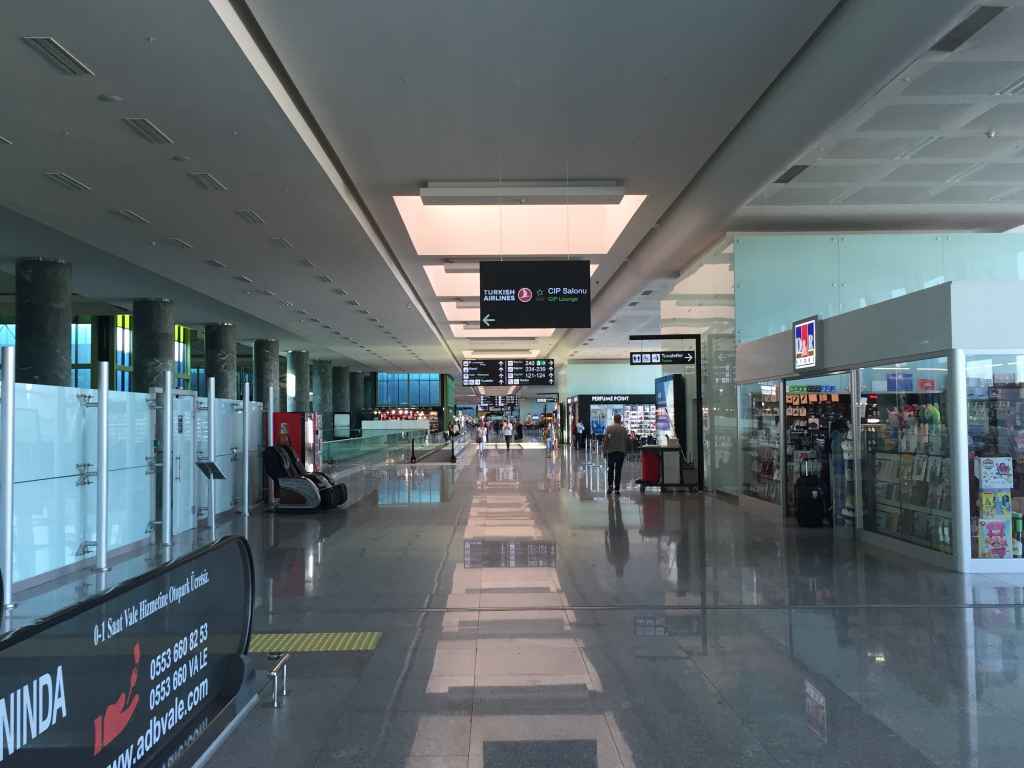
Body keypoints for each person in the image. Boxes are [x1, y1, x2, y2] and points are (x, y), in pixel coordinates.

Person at [603, 413, 628, 494]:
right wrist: (626, 451)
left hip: (611, 452)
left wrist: (604, 450)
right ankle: (617, 488)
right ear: (620, 420)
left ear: (614, 419)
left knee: (610, 469)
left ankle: (610, 486)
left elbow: (606, 440)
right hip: (621, 452)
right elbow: (626, 441)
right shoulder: (623, 429)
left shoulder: (609, 428)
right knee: (618, 470)